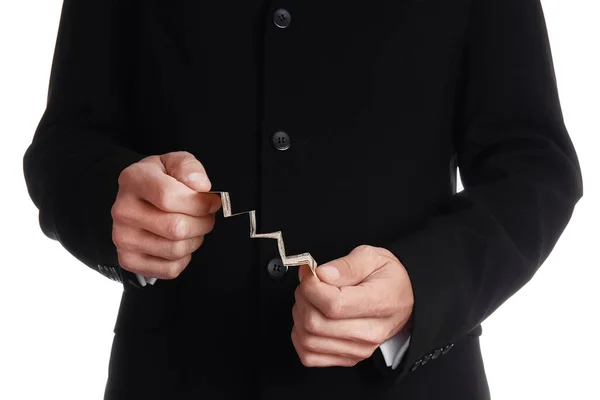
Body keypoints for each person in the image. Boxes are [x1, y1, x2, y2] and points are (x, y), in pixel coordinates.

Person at [23, 0, 583, 399]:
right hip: (173, 378)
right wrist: (111, 201)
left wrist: (424, 285)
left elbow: (534, 166)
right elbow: (65, 143)